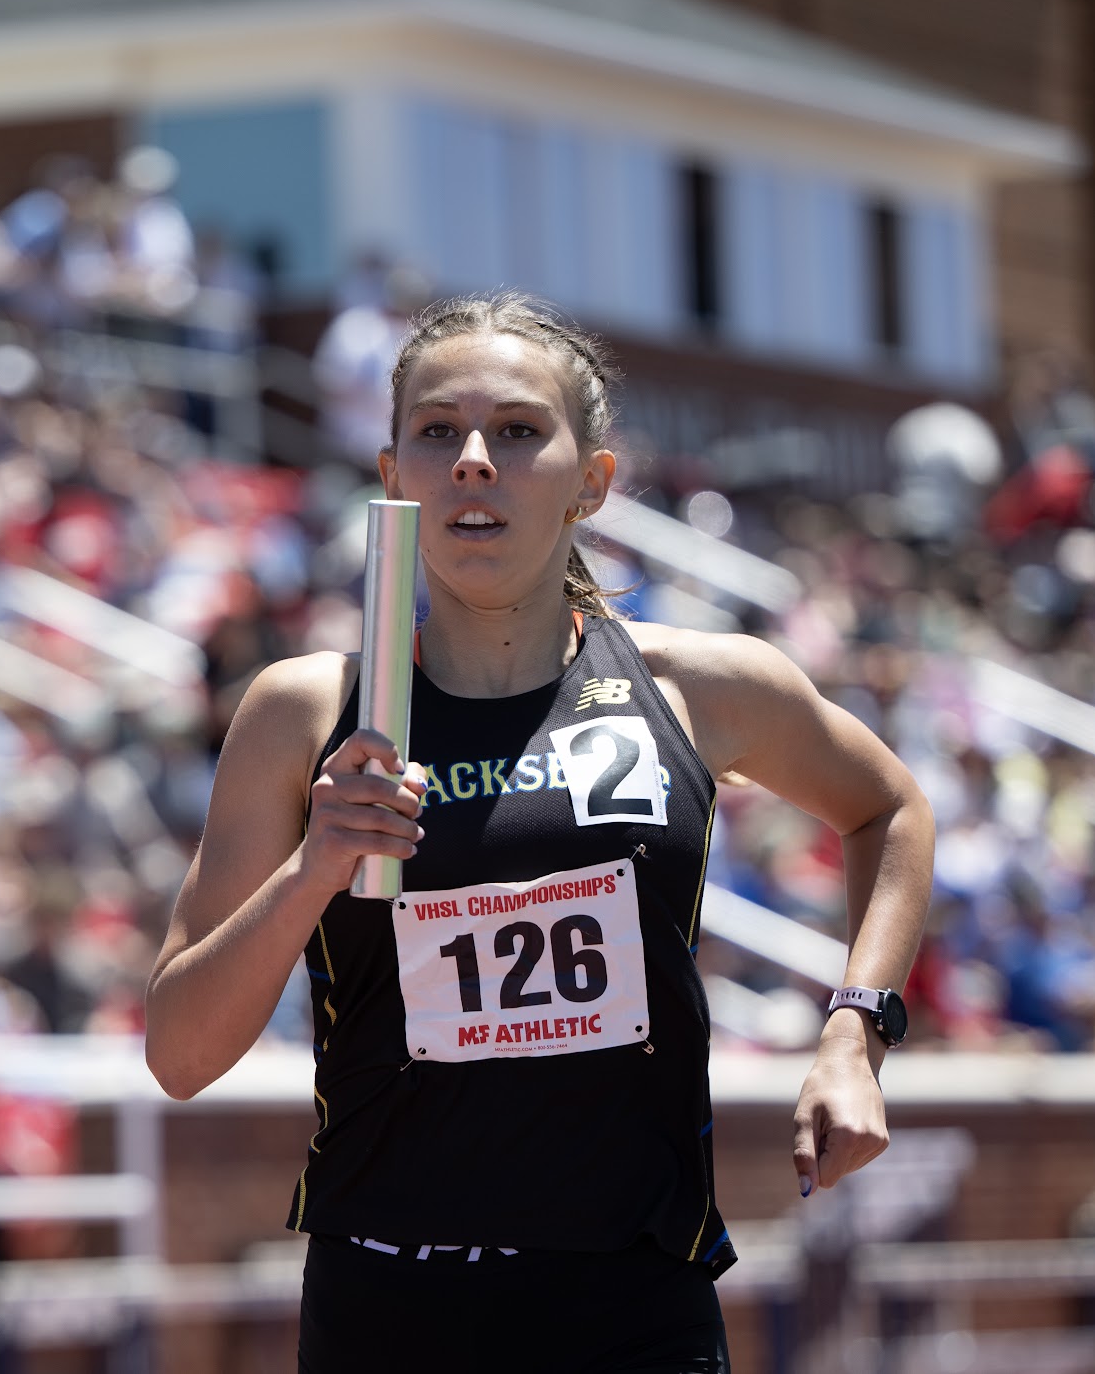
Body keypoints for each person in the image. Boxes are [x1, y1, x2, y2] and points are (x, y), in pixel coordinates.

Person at [145, 292, 935, 1372]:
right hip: (388, 1305)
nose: (474, 461)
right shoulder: (307, 712)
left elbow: (890, 809)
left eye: (517, 431)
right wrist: (311, 869)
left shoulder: (701, 686)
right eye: (438, 432)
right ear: (392, 476)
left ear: (591, 482)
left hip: (634, 1301)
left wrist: (855, 1033)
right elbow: (181, 1055)